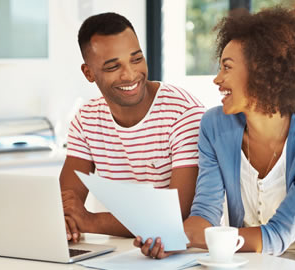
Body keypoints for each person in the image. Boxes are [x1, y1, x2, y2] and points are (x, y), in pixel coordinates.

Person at [135, 6, 295, 258]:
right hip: (243, 259)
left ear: (262, 71)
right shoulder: (214, 125)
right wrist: (169, 237)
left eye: (227, 67)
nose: (217, 79)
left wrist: (193, 239)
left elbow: (278, 235)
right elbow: (204, 212)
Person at [59, 12, 205, 243]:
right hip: (119, 252)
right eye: (112, 67)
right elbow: (66, 203)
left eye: (136, 59)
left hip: (177, 254)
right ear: (89, 73)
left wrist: (90, 221)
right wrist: (69, 221)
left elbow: (176, 216)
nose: (130, 75)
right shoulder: (86, 119)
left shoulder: (183, 114)